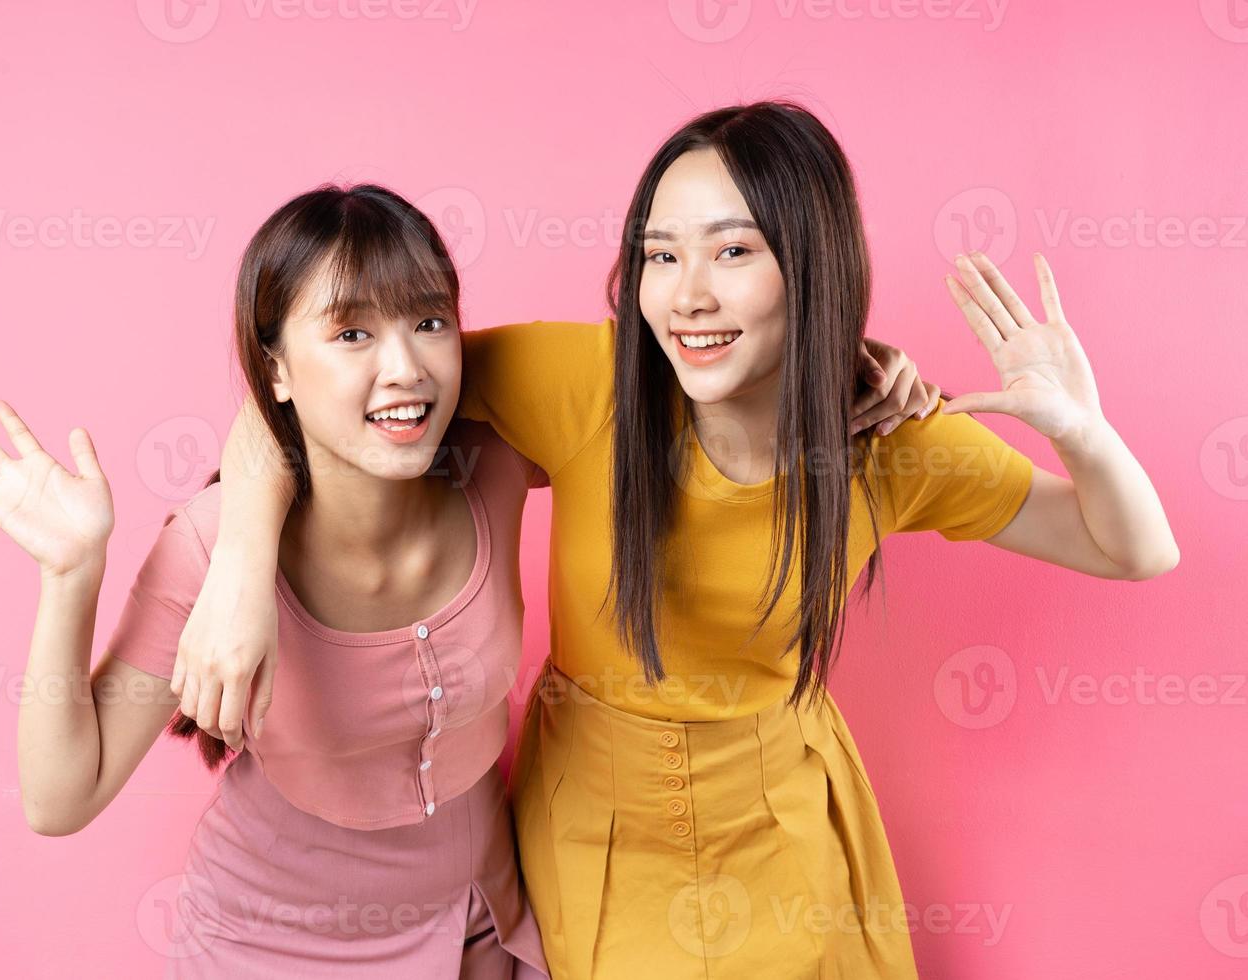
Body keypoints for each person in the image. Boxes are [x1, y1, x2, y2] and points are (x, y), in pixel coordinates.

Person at [178, 102, 1142, 979]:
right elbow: (330, 393)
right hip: (590, 832)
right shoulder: (584, 382)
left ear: (813, 264)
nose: (687, 296)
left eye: (733, 252)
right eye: (659, 255)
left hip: (781, 833)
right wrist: (237, 568)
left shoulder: (885, 438)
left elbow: (1129, 546)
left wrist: (1080, 431)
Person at [0, 184, 563, 978]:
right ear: (277, 371)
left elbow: (641, 388)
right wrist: (72, 573)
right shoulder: (210, 548)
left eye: (429, 322)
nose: (404, 368)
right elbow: (60, 798)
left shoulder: (495, 460)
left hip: (475, 927)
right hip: (269, 948)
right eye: (352, 332)